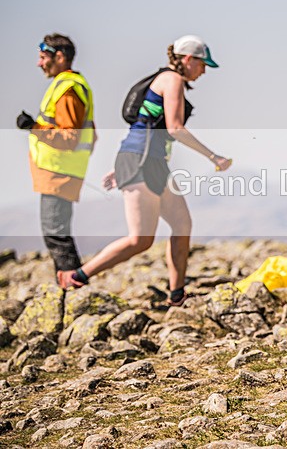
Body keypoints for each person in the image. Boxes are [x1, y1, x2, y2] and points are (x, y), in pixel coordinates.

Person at [56, 35, 232, 307]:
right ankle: (77, 276)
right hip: (139, 161)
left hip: (150, 162)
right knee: (140, 239)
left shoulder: (171, 81)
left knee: (182, 225)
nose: (204, 70)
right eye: (202, 64)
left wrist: (122, 167)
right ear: (188, 59)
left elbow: (152, 128)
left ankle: (177, 295)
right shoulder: (172, 80)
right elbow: (174, 128)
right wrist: (213, 156)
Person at [17, 34, 96, 278]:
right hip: (57, 171)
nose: (39, 64)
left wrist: (33, 127)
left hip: (59, 172)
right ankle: (70, 290)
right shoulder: (66, 85)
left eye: (43, 58)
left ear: (60, 57)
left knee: (56, 234)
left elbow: (69, 137)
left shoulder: (68, 89)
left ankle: (72, 290)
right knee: (56, 232)